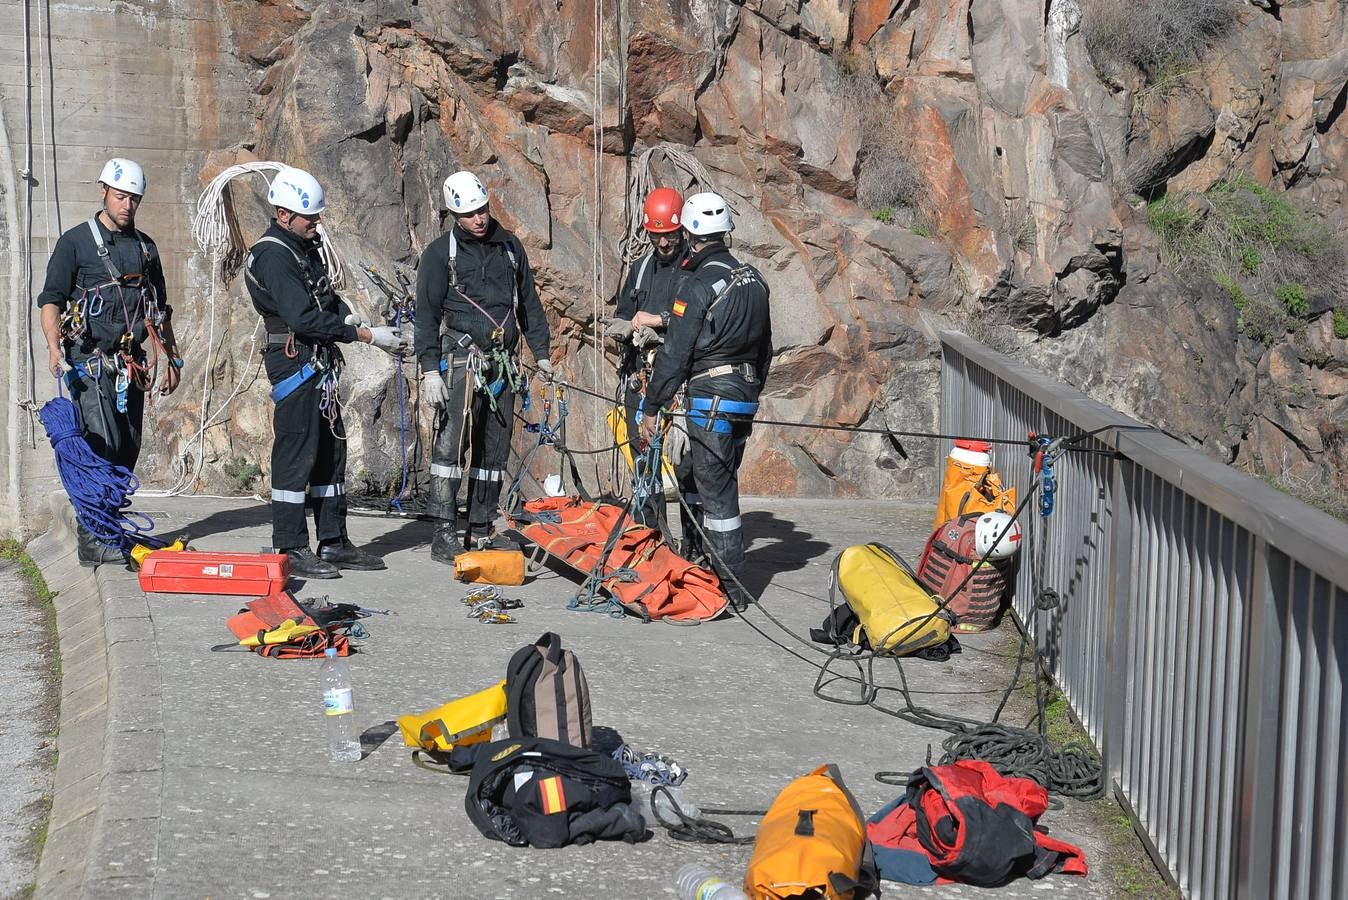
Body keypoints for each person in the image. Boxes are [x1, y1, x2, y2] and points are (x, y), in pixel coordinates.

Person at [244, 166, 403, 578]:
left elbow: (325, 300)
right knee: (297, 453)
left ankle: (332, 541)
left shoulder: (301, 246)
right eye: (309, 217)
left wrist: (351, 319)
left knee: (331, 452)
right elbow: (302, 317)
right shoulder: (273, 255)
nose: (316, 224)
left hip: (317, 361)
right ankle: (291, 545)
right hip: (295, 359)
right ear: (283, 215)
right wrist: (365, 335)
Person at [37, 157, 183, 567]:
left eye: (134, 199)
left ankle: (109, 527)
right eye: (121, 196)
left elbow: (159, 309)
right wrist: (53, 347)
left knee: (127, 447)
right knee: (100, 446)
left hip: (131, 364)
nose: (127, 205)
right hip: (89, 363)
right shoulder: (76, 242)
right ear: (103, 191)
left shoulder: (145, 247)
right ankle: (92, 539)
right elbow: (51, 299)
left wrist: (171, 358)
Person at [640, 192, 772, 611]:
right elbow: (766, 350)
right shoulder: (755, 279)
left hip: (710, 399)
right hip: (743, 398)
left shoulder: (696, 285)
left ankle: (728, 590)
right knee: (708, 482)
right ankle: (708, 570)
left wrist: (651, 406)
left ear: (692, 236)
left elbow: (675, 354)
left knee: (719, 500)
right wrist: (752, 395)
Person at [415, 171, 553, 563]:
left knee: (493, 451)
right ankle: (444, 530)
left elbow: (528, 304)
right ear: (453, 215)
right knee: (450, 447)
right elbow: (426, 316)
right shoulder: (441, 254)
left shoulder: (509, 248)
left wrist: (541, 354)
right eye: (469, 214)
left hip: (502, 366)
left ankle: (481, 525)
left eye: (482, 210)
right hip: (460, 362)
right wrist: (429, 369)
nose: (479, 219)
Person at [605, 187, 688, 532]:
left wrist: (661, 322)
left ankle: (692, 544)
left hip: (680, 380)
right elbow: (624, 312)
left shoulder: (694, 270)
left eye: (669, 236)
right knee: (643, 460)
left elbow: (697, 318)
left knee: (683, 466)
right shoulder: (640, 270)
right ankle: (649, 532)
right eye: (657, 237)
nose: (664, 244)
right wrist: (625, 327)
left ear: (682, 229)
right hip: (641, 378)